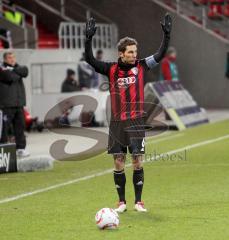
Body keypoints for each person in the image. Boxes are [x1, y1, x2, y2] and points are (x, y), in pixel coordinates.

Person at [85, 14, 172, 212]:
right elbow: (89, 60)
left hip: (136, 121)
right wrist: (88, 39)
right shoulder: (110, 69)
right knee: (118, 161)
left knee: (137, 160)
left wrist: (166, 36)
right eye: (131, 52)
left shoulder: (141, 65)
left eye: (135, 51)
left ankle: (139, 202)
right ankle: (121, 202)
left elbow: (160, 54)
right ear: (121, 53)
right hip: (117, 122)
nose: (134, 55)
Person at [0, 51, 29, 158]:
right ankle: (2, 149)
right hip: (6, 105)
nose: (12, 59)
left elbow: (25, 71)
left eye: (13, 57)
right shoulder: (2, 68)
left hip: (19, 104)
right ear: (5, 59)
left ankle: (20, 149)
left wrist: (14, 70)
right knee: (4, 129)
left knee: (20, 128)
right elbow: (9, 77)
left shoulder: (17, 67)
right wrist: (17, 72)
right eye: (9, 58)